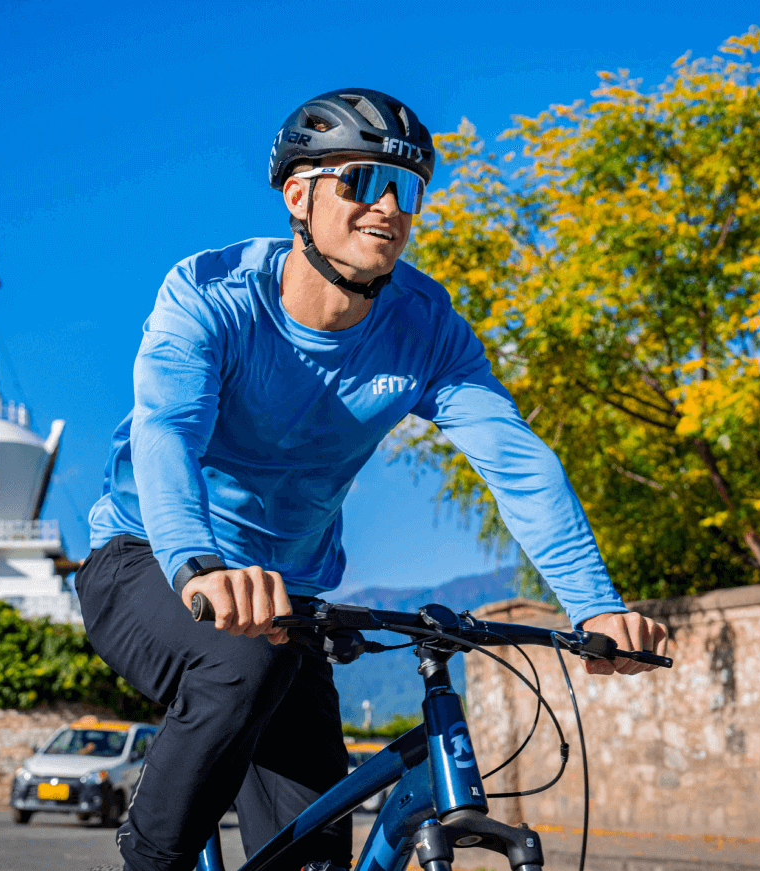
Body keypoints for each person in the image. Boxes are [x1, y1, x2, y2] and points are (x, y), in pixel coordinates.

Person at [75, 87, 669, 871]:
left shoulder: (425, 328)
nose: (387, 206)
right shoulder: (211, 296)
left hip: (289, 608)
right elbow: (167, 431)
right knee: (241, 662)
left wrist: (597, 604)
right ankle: (149, 862)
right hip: (151, 557)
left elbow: (515, 459)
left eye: (407, 188)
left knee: (315, 852)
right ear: (299, 193)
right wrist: (200, 565)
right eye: (361, 181)